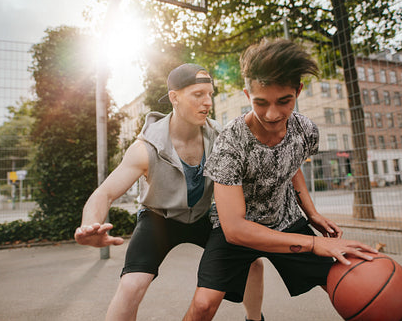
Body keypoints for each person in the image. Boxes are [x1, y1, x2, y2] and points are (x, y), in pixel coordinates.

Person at [182, 39, 379, 320]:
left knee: (349, 286)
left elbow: (291, 164)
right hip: (236, 229)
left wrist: (311, 213)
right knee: (202, 305)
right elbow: (236, 229)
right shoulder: (230, 141)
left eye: (284, 101)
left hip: (285, 219)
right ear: (247, 94)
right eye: (260, 102)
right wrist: (314, 244)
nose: (272, 114)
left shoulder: (305, 130)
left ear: (297, 91)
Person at [74, 63, 264, 321]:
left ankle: (255, 319)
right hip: (158, 218)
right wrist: (89, 225)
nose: (207, 102)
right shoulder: (146, 148)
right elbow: (104, 193)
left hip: (204, 216)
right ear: (174, 97)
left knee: (253, 262)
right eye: (198, 95)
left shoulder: (220, 137)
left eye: (210, 94)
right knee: (131, 286)